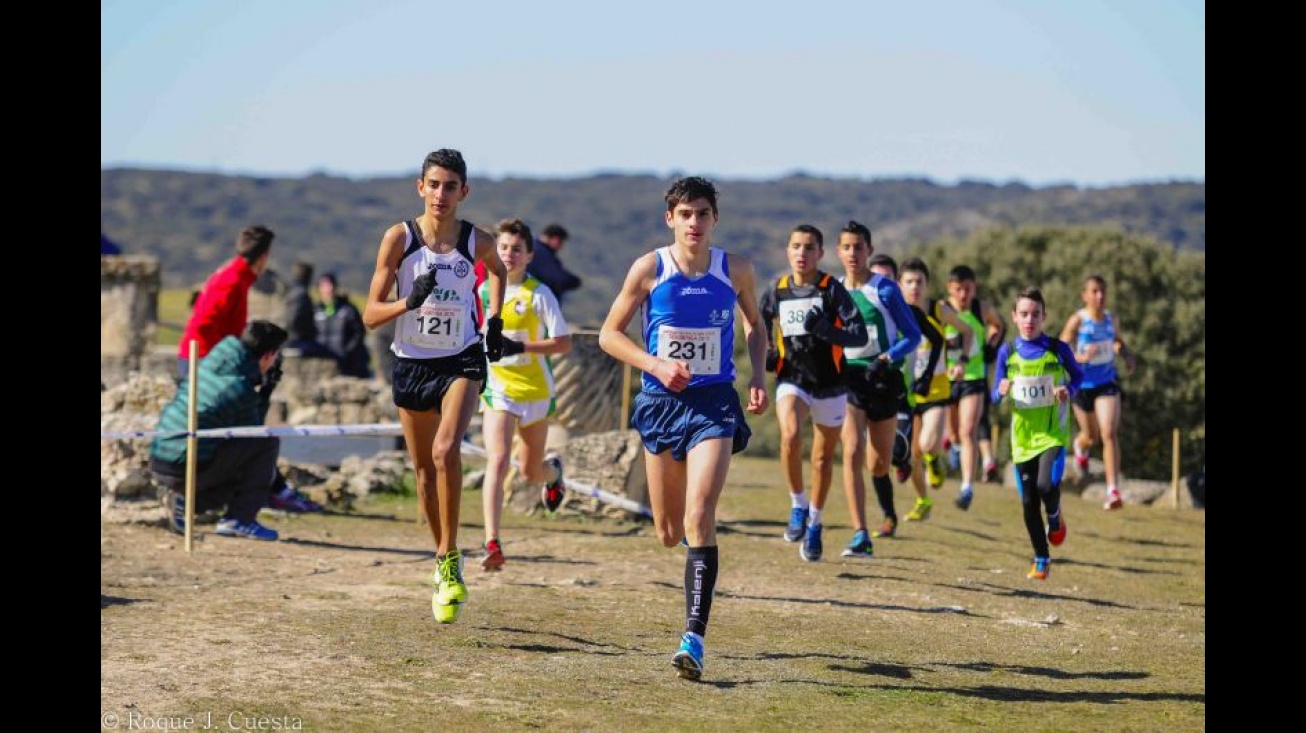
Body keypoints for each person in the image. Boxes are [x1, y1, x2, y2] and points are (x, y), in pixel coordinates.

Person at [598, 176, 768, 682]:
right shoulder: (650, 269)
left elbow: (755, 324)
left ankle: (693, 637)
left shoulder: (734, 269)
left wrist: (759, 373)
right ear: (670, 218)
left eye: (703, 213)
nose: (694, 223)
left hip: (714, 402)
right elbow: (609, 335)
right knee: (669, 531)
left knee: (700, 512)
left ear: (715, 218)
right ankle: (690, 601)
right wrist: (654, 364)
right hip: (661, 402)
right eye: (685, 214)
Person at [362, 149, 513, 625]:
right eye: (434, 185)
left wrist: (494, 320)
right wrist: (411, 300)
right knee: (424, 472)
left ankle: (450, 557)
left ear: (464, 192)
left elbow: (500, 272)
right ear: (420, 188)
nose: (442, 194)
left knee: (448, 451)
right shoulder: (400, 239)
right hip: (411, 363)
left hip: (462, 359)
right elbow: (370, 315)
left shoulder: (477, 241)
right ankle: (443, 557)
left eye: (451, 186)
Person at [759, 224, 868, 562]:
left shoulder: (830, 289)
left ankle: (816, 522)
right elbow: (758, 328)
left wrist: (827, 331)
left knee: (822, 458)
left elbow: (859, 335)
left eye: (809, 247)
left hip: (830, 383)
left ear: (820, 253)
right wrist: (768, 357)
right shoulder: (776, 290)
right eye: (796, 246)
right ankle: (797, 504)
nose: (802, 253)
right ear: (787, 251)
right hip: (792, 378)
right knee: (790, 435)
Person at [478, 218, 572, 571]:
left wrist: (520, 345)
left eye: (517, 249)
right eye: (503, 248)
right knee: (498, 460)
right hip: (499, 390)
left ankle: (554, 474)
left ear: (529, 255)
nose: (509, 255)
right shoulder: (483, 292)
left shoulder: (539, 293)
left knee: (531, 472)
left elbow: (564, 343)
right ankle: (492, 541)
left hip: (536, 391)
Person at [150, 321, 289, 541]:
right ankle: (239, 519)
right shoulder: (239, 387)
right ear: (267, 356)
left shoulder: (213, 362)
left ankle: (184, 502)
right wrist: (265, 393)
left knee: (237, 461)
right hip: (184, 464)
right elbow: (253, 433)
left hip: (161, 457)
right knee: (266, 444)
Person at [834, 225, 920, 554]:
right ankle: (860, 533)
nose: (853, 254)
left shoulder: (885, 290)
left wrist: (888, 357)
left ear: (869, 250)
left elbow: (912, 335)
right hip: (851, 380)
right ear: (839, 252)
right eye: (846, 247)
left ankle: (888, 507)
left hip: (883, 378)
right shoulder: (835, 290)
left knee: (879, 464)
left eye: (858, 247)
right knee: (852, 451)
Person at [992, 287, 1083, 580]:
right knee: (1028, 503)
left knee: (1046, 486)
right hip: (1022, 439)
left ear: (1044, 316)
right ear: (1014, 317)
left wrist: (1067, 391)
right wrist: (1001, 390)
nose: (1030, 319)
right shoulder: (1007, 352)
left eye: (1035, 314)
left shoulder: (1057, 349)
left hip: (1052, 433)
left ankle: (1055, 517)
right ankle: (1041, 557)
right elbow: (994, 394)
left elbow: (1078, 376)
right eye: (1024, 314)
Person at [867, 253, 943, 527]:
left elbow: (936, 340)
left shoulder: (910, 313)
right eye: (875, 278)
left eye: (886, 279)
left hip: (901, 394)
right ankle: (888, 515)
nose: (880, 284)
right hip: (864, 388)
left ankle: (905, 462)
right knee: (874, 461)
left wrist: (925, 377)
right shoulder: (859, 306)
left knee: (897, 451)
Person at [898, 258, 972, 508]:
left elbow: (967, 331)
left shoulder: (939, 310)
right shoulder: (896, 313)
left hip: (937, 388)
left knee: (927, 443)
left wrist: (961, 360)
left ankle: (935, 457)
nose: (914, 286)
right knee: (912, 455)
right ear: (900, 284)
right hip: (909, 392)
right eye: (909, 281)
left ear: (927, 284)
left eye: (919, 281)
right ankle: (922, 501)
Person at [1058, 274, 1136, 510]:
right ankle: (1081, 447)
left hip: (1106, 383)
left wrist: (1126, 354)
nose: (1099, 296)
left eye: (1103, 291)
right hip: (1082, 386)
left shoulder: (1111, 320)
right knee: (1090, 436)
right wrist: (1080, 357)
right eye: (1094, 291)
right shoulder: (1078, 321)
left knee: (1108, 432)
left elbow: (1117, 341)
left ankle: (1113, 490)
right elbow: (1062, 347)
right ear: (1085, 295)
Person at [943, 265, 1006, 510]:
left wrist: (991, 345)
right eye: (958, 289)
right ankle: (953, 446)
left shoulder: (982, 309)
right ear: (950, 288)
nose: (963, 295)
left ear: (974, 288)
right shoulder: (943, 310)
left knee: (969, 430)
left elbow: (999, 326)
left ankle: (967, 486)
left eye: (967, 289)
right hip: (947, 379)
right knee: (954, 432)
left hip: (974, 377)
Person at [178, 225, 275, 379]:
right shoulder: (232, 281)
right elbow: (204, 323)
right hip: (203, 360)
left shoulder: (237, 277)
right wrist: (224, 357)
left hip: (207, 359)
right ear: (263, 258)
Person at [316, 272, 372, 378]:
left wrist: (347, 352)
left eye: (330, 285)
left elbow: (359, 334)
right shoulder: (316, 311)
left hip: (350, 366)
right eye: (324, 286)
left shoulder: (348, 310)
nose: (328, 289)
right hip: (325, 365)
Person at [283, 261, 332, 359]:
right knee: (330, 354)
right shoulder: (301, 295)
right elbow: (294, 320)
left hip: (291, 341)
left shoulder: (289, 292)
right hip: (298, 342)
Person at [526, 223, 582, 306]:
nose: (562, 246)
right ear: (556, 240)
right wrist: (574, 281)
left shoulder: (533, 249)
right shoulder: (541, 253)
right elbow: (558, 278)